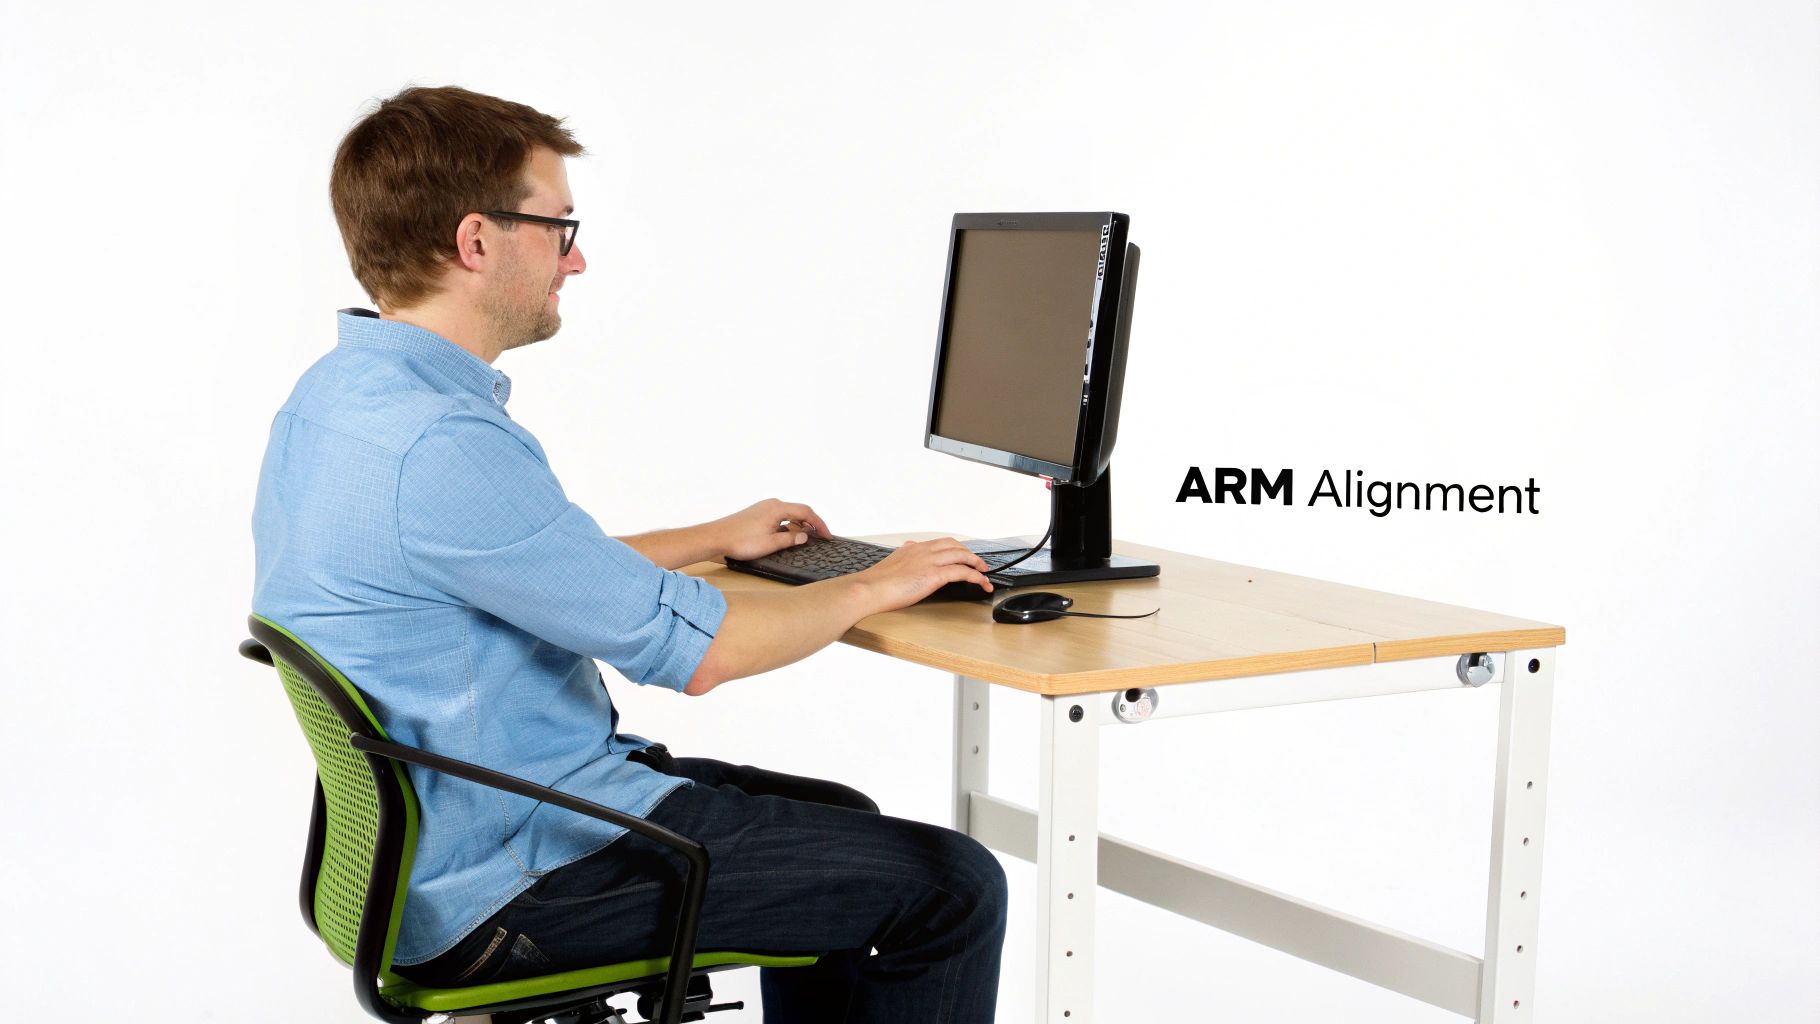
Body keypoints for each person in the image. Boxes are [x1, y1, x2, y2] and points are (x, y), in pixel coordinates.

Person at [252, 85, 1007, 1022]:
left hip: (434, 865)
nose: (578, 258)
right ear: (476, 241)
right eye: (559, 227)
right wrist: (876, 582)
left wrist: (711, 539)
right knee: (953, 885)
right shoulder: (439, 444)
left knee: (843, 817)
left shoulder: (339, 403)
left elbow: (512, 568)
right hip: (517, 880)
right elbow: (704, 655)